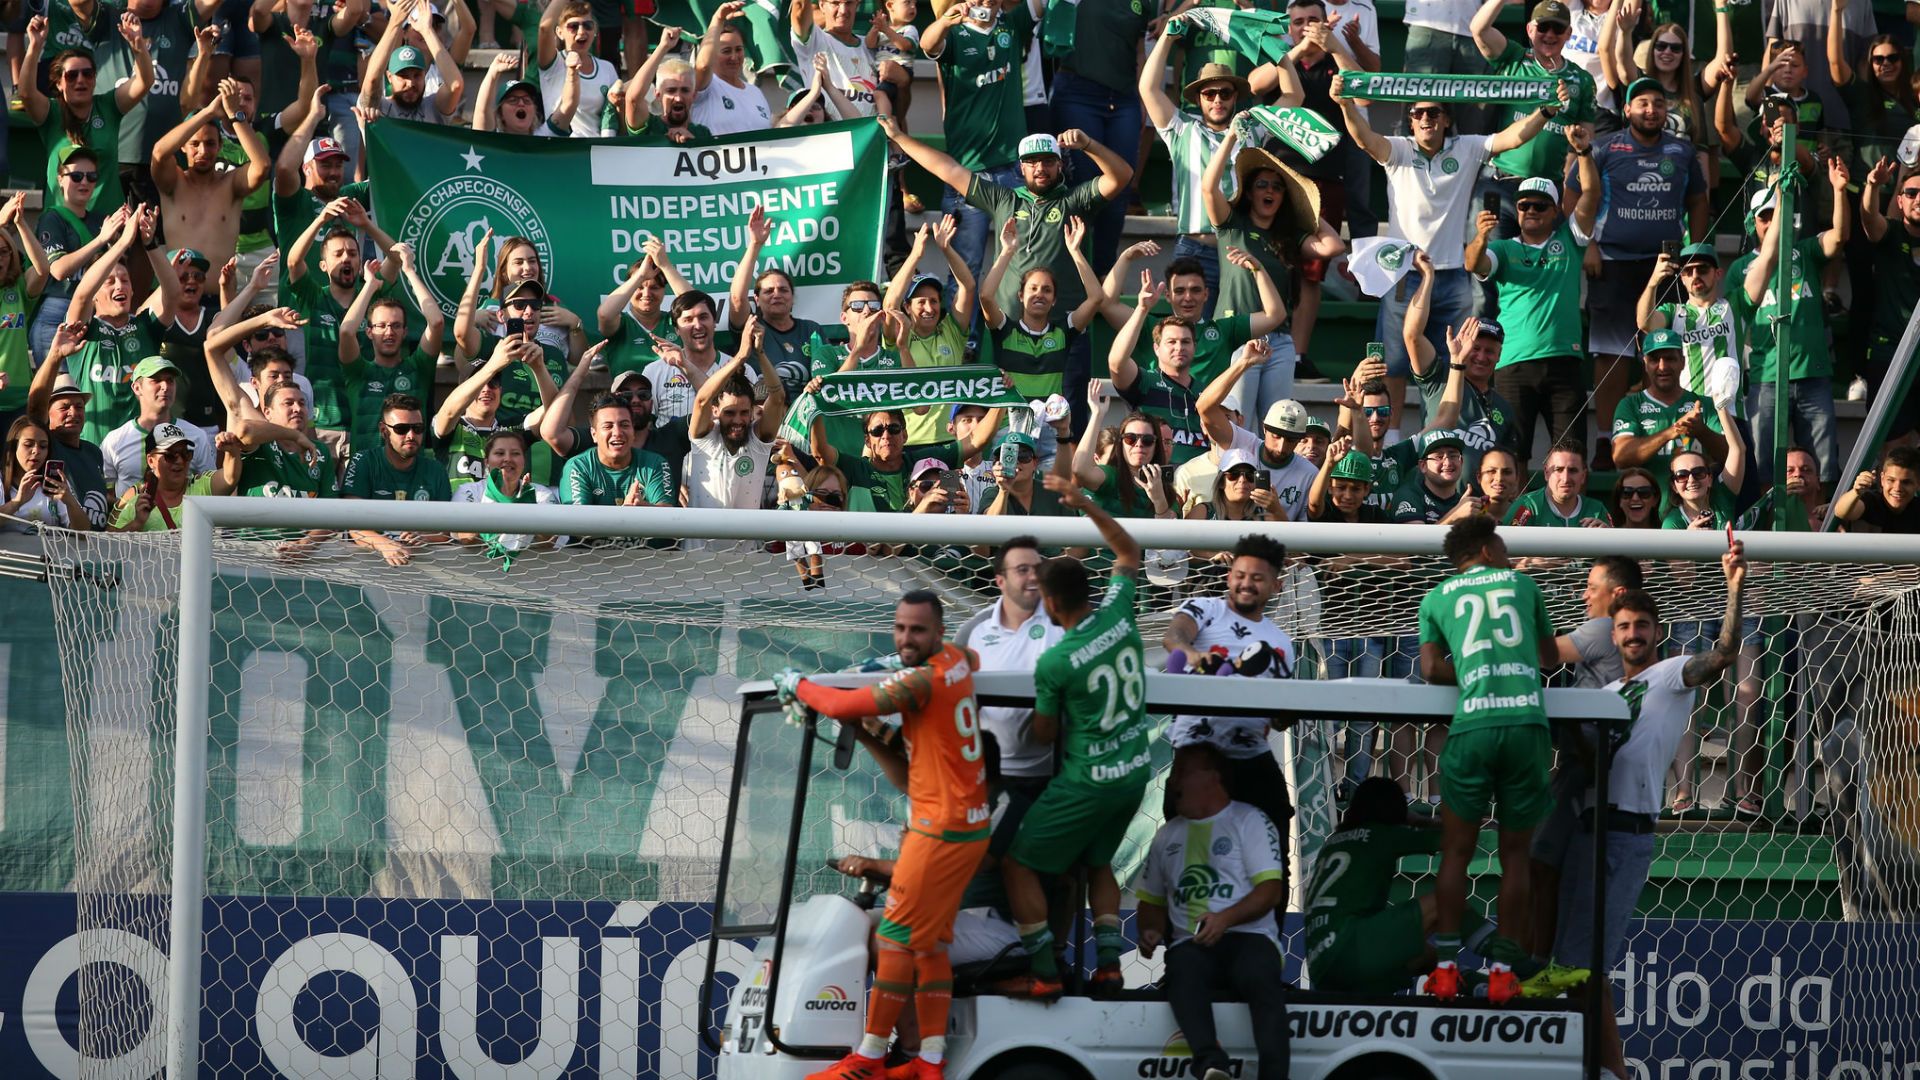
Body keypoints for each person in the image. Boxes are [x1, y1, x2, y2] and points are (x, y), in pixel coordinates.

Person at [775, 590, 989, 1080]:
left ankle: (869, 1057)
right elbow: (974, 656)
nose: (907, 638)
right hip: (969, 826)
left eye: (917, 630)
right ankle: (929, 1063)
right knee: (930, 945)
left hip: (939, 831)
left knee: (892, 938)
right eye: (900, 628)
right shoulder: (958, 659)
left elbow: (838, 701)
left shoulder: (920, 682)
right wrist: (886, 662)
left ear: (938, 632)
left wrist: (797, 683)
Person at [1557, 551, 1744, 1079]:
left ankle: (1613, 1072)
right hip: (1584, 829)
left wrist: (1733, 586)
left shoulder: (1668, 676)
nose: (1633, 634)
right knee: (1570, 965)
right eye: (1624, 627)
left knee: (1587, 967)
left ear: (1657, 633)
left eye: (1641, 625)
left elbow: (1726, 652)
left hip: (1625, 834)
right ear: (1612, 637)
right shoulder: (1610, 693)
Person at [1334, 81, 1562, 425]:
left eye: (1433, 112)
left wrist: (1545, 112)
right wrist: (1345, 105)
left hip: (1454, 275)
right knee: (1393, 365)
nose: (1426, 118)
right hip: (1404, 275)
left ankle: (1438, 437)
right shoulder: (1399, 149)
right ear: (1410, 120)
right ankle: (1392, 441)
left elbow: (1512, 137)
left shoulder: (1466, 148)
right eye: (1418, 113)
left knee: (1448, 366)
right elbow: (1364, 138)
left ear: (1445, 119)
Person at [1004, 473, 1150, 999]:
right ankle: (1109, 965)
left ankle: (1043, 971)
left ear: (1049, 601)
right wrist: (1086, 502)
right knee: (1098, 862)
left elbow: (1043, 735)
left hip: (1087, 779)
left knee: (1018, 864)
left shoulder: (1057, 660)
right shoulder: (1119, 612)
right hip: (1134, 773)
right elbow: (1128, 548)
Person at [1417, 514, 1558, 1001]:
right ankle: (1502, 973)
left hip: (1473, 726)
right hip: (1525, 725)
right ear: (1487, 551)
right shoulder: (1523, 583)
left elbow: (1432, 668)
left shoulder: (1435, 597)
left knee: (1456, 851)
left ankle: (1448, 969)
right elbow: (1549, 658)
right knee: (1515, 854)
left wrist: (1476, 671)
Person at [1567, 77, 1710, 466]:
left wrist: (1694, 253)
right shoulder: (1604, 148)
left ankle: (1660, 428)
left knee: (1662, 347)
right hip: (1611, 261)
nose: (1651, 110)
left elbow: (1698, 200)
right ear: (1626, 110)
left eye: (1659, 104)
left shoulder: (1682, 151)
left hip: (1665, 265)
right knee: (1610, 354)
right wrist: (1588, 244)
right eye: (1642, 103)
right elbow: (1574, 195)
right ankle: (1605, 437)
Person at [881, 119, 1132, 330]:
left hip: (1067, 327)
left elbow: (1121, 176)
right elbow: (948, 170)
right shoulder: (1004, 200)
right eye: (1032, 163)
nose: (1040, 168)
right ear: (1021, 167)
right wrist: (899, 137)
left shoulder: (1076, 200)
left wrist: (1088, 145)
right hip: (1011, 328)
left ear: (1060, 164)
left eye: (1047, 161)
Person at [1136, 744, 1290, 1080]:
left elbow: (1270, 891)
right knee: (1183, 969)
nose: (1172, 781)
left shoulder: (1249, 820)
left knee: (1260, 977)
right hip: (1192, 945)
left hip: (1249, 937)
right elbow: (1151, 904)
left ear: (1212, 778)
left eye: (1181, 772)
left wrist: (1225, 919)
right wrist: (1149, 930)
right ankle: (1211, 1065)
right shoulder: (1166, 836)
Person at [1306, 777, 1503, 995]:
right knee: (1444, 902)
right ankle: (1514, 962)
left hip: (1321, 968)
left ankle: (1481, 989)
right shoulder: (1381, 834)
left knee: (1424, 955)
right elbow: (1456, 840)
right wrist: (1421, 820)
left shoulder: (1332, 841)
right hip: (1351, 948)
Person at [1163, 533, 1299, 836]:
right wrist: (1196, 656)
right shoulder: (1205, 608)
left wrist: (1289, 711)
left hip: (1249, 753)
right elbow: (1174, 637)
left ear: (1276, 586)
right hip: (1197, 750)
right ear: (1228, 576)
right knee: (1185, 849)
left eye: (1257, 578)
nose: (1246, 584)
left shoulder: (1281, 642)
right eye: (1240, 575)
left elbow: (1280, 721)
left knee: (1275, 828)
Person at [1201, 134, 1345, 419]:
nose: (1270, 191)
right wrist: (1230, 137)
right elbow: (1208, 188)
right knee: (1238, 421)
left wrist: (1304, 204)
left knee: (1276, 426)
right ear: (1250, 192)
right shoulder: (1233, 225)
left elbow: (1333, 245)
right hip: (1238, 333)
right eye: (1262, 185)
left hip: (1278, 341)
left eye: (1278, 188)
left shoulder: (1288, 235)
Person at [1465, 162, 1597, 461]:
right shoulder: (1503, 248)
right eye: (1524, 206)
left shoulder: (1571, 239)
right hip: (1514, 364)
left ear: (1555, 212)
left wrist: (1585, 154)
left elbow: (1591, 194)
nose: (1531, 211)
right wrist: (1482, 237)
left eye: (1540, 206)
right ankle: (1512, 511)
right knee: (1510, 457)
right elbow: (1473, 264)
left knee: (1571, 456)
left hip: (1564, 361)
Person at [1730, 160, 1850, 489]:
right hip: (1766, 376)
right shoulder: (1739, 268)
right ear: (1751, 223)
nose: (1771, 222)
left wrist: (1839, 191)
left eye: (1776, 214)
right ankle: (1763, 538)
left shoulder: (1805, 250)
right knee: (1761, 469)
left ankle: (1823, 534)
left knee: (1824, 470)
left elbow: (1839, 238)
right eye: (1763, 217)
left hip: (1812, 375)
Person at [953, 537, 1063, 858]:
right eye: (1022, 569)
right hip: (990, 780)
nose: (1033, 577)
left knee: (1049, 872)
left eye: (1038, 569)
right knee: (983, 865)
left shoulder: (1062, 623)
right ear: (1000, 580)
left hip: (1051, 777)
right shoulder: (975, 630)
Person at [922, 0, 1042, 287]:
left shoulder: (1011, 25)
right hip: (967, 172)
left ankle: (1014, 332)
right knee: (966, 266)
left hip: (1013, 168)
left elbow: (1040, 5)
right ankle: (968, 334)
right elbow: (927, 45)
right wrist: (944, 23)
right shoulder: (952, 34)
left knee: (1021, 264)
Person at [1141, 25, 1249, 311]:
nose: (1217, 100)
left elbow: (1294, 97)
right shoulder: (1182, 128)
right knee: (1190, 338)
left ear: (1235, 97)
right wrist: (1167, 38)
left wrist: (1281, 52)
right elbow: (1147, 88)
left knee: (1231, 338)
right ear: (1198, 98)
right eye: (1209, 93)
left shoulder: (1251, 129)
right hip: (1194, 249)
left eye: (1225, 93)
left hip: (1238, 250)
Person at [283, 198, 402, 451]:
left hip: (366, 423)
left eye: (352, 253)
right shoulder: (313, 297)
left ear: (360, 262)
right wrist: (320, 220)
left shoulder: (373, 294)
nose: (346, 258)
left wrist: (366, 225)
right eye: (338, 254)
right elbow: (293, 262)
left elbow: (397, 258)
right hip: (323, 424)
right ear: (323, 266)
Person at [61, 206, 184, 444]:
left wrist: (150, 244)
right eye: (110, 282)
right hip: (94, 446)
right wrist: (121, 244)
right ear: (96, 295)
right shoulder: (85, 330)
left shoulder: (145, 327)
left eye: (125, 281)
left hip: (141, 450)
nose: (120, 286)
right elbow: (81, 296)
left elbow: (172, 294)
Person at [18, 13, 154, 216]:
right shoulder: (51, 112)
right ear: (59, 83)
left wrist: (137, 45)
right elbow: (26, 93)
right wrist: (34, 46)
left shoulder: (108, 105)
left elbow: (144, 82)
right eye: (71, 76)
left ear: (94, 78)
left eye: (87, 74)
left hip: (109, 223)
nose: (80, 80)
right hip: (62, 225)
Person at [980, 215, 1108, 405]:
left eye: (1047, 290)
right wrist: (1007, 251)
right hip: (1009, 427)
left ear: (1054, 300)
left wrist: (1075, 252)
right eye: (1032, 289)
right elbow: (986, 297)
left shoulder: (1062, 332)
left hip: (1048, 427)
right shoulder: (1006, 330)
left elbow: (1096, 297)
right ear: (1020, 296)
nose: (1039, 294)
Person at [151, 78, 270, 275]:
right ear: (182, 146)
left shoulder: (230, 184)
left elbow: (262, 166)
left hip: (219, 300)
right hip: (177, 298)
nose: (203, 151)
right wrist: (207, 112)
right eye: (195, 144)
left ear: (220, 146)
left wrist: (235, 115)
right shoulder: (174, 182)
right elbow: (159, 153)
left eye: (210, 143)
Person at [542, 351, 693, 499]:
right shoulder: (594, 439)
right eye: (626, 395)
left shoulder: (670, 437)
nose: (635, 400)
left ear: (651, 402)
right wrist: (580, 373)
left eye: (643, 394)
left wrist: (686, 366)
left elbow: (709, 406)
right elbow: (551, 433)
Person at [339, 246, 444, 455]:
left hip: (410, 471)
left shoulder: (418, 368)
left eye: (396, 325)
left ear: (405, 332)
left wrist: (409, 271)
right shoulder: (358, 371)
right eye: (381, 326)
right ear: (369, 332)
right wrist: (369, 287)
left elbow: (437, 322)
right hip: (365, 474)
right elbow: (346, 332)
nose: (389, 332)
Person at [1638, 243, 1745, 436]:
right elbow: (1645, 323)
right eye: (1688, 271)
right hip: (1688, 415)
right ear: (1682, 278)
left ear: (1718, 274)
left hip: (1730, 415)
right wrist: (1654, 282)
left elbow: (1768, 258)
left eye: (1702, 269)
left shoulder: (1734, 304)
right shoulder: (1674, 312)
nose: (1695, 275)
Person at [1194, 356, 1319, 520]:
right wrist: (1243, 362)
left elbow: (1301, 540)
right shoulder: (1241, 441)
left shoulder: (1309, 473)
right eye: (1276, 436)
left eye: (1290, 440)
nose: (1281, 447)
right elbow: (1204, 407)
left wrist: (1276, 509)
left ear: (1300, 439)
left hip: (1273, 543)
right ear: (1264, 428)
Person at [685, 319, 787, 515]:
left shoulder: (758, 441)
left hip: (749, 546)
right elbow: (702, 400)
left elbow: (778, 397)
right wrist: (740, 357)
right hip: (698, 546)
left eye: (744, 413)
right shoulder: (704, 438)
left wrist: (760, 354)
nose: (738, 421)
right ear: (715, 411)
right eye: (729, 413)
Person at [1611, 328, 1731, 489]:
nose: (1662, 367)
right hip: (1649, 509)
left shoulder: (1705, 404)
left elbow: (1732, 457)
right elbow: (1621, 457)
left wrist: (1702, 432)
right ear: (1645, 364)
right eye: (1654, 359)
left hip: (1696, 510)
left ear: (1682, 362)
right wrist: (1670, 433)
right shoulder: (1630, 405)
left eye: (1670, 359)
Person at [342, 393, 453, 561]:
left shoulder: (436, 469)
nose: (411, 435)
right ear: (383, 430)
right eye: (401, 429)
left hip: (421, 566)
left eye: (418, 428)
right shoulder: (362, 461)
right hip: (366, 563)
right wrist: (385, 545)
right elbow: (353, 525)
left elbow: (445, 532)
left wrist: (424, 537)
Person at [1857, 159, 1920, 443]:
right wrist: (1872, 185)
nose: (1918, 199)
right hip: (1889, 354)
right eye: (1911, 193)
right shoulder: (1891, 234)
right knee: (1891, 443)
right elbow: (1870, 219)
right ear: (1900, 200)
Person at [25, 331, 113, 528]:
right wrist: (55, 356)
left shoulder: (94, 451)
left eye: (79, 406)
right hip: (65, 547)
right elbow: (35, 407)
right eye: (64, 407)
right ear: (49, 414)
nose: (73, 412)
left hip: (98, 547)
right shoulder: (48, 445)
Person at [29, 149, 108, 365]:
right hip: (58, 312)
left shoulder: (102, 221)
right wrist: (101, 240)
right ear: (60, 179)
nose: (84, 182)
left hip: (95, 313)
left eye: (91, 177)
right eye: (76, 176)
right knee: (58, 392)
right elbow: (58, 269)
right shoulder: (52, 218)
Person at [100, 355, 216, 497]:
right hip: (132, 519)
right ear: (137, 388)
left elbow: (211, 489)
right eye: (156, 380)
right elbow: (104, 492)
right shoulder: (115, 439)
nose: (165, 387)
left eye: (170, 380)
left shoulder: (196, 436)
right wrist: (127, 507)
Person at [110, 420, 238, 530]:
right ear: (151, 461)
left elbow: (229, 478)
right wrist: (137, 523)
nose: (180, 461)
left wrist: (232, 452)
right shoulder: (134, 499)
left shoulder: (201, 485)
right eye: (170, 455)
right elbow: (109, 547)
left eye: (185, 454)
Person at [559, 390, 674, 512]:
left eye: (624, 425)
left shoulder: (655, 463)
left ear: (633, 431)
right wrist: (626, 514)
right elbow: (578, 523)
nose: (617, 433)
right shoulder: (578, 467)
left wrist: (643, 508)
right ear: (594, 434)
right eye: (608, 426)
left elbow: (667, 515)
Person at [359, 0, 464, 125]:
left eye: (417, 75)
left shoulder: (433, 107)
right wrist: (394, 23)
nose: (410, 83)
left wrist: (427, 31)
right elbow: (372, 80)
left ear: (424, 75)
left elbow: (455, 85)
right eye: (403, 76)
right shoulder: (379, 108)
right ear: (389, 77)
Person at [0, 194, 50, 432]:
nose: (0, 259)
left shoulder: (17, 289)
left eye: (4, 252)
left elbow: (42, 269)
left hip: (19, 399)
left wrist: (20, 224)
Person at [692, 1, 774, 134]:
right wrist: (717, 20)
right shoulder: (706, 87)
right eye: (726, 51)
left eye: (738, 50)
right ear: (713, 53)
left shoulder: (756, 93)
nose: (734, 57)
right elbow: (703, 66)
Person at [537, 0, 616, 136]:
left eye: (588, 25)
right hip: (561, 146)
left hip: (595, 148)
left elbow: (613, 114)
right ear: (559, 32)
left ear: (595, 30)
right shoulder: (553, 63)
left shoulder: (607, 68)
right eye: (573, 26)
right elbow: (544, 28)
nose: (581, 31)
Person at [1, 416, 91, 530]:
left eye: (43, 446)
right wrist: (17, 502)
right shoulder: (1, 482)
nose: (36, 451)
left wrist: (70, 502)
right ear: (14, 447)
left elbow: (83, 532)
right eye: (28, 444)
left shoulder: (54, 483)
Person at [624, 29, 712, 143]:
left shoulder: (702, 133)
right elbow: (633, 99)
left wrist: (693, 143)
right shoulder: (649, 126)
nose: (678, 98)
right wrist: (663, 47)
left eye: (685, 90)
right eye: (671, 91)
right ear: (658, 95)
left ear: (694, 95)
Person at [473, 51, 578, 136]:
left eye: (527, 100)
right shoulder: (492, 141)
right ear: (501, 114)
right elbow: (482, 111)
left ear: (534, 112)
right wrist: (492, 73)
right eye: (513, 100)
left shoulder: (545, 136)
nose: (521, 103)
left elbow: (568, 105)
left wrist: (572, 73)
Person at [1507, 440, 1610, 525]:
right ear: (1547, 473)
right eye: (1559, 470)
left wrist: (1607, 537)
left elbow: (1615, 548)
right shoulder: (1526, 507)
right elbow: (1504, 546)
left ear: (1583, 476)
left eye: (1573, 470)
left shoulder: (1597, 510)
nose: (1565, 478)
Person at [1834, 446, 1920, 533]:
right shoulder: (1871, 501)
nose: (1897, 488)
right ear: (1882, 479)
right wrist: (1856, 492)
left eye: (1906, 482)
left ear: (1918, 484)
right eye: (1891, 480)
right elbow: (1841, 512)